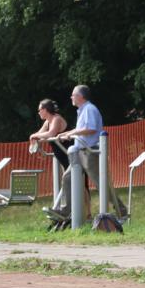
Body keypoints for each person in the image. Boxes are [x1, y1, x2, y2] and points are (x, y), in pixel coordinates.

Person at [45, 85, 127, 221]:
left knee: (101, 184)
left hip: (90, 151)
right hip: (79, 152)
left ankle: (121, 211)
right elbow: (81, 129)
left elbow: (91, 129)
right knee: (67, 178)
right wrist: (66, 134)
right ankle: (66, 211)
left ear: (80, 96)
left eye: (73, 95)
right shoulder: (82, 111)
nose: (71, 97)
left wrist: (71, 134)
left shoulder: (90, 109)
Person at [29, 99, 69, 171]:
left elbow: (51, 133)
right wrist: (33, 137)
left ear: (45, 110)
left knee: (72, 180)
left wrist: (34, 136)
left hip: (71, 156)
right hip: (63, 157)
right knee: (67, 180)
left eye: (39, 110)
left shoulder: (56, 118)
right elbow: (39, 133)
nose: (38, 113)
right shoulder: (47, 122)